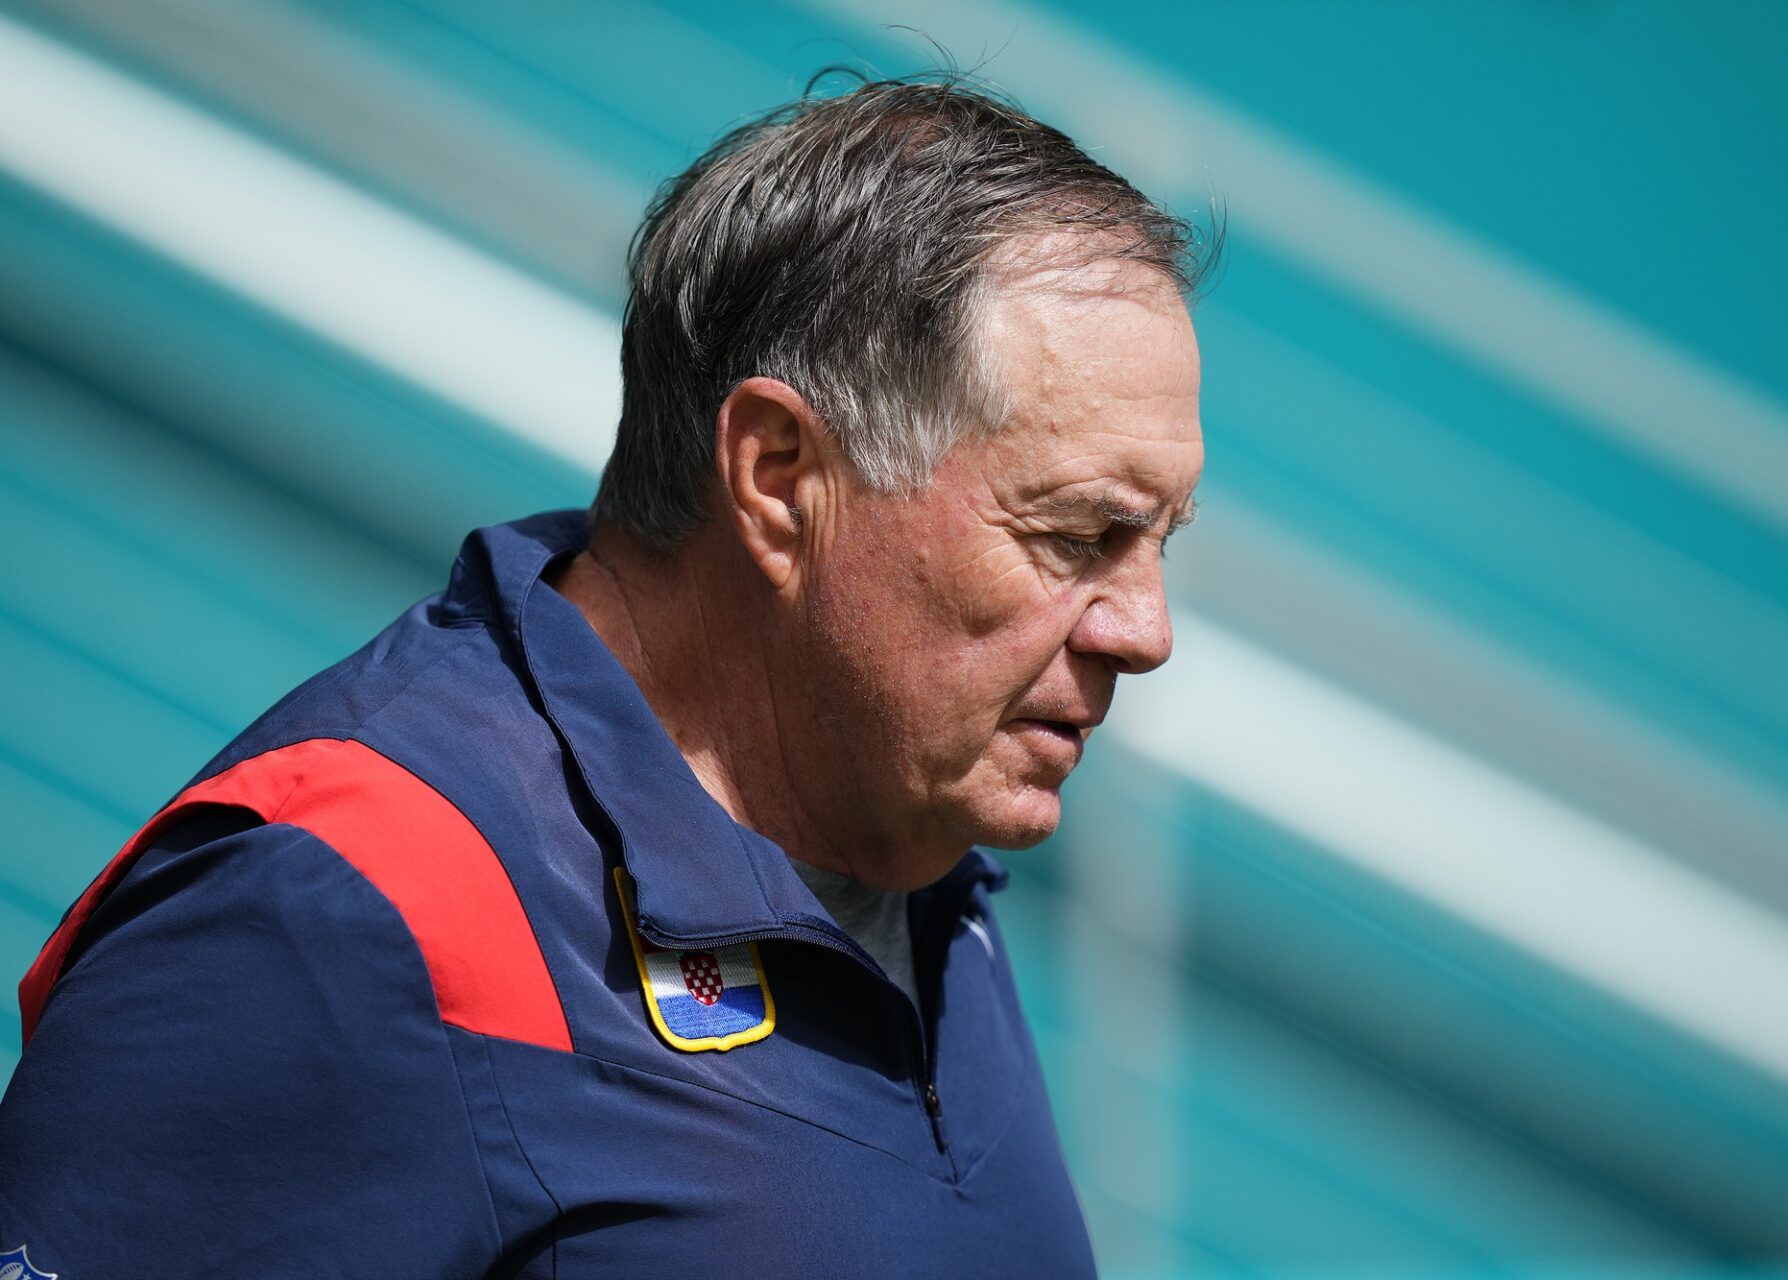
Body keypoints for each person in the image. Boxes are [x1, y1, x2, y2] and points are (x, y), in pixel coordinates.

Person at [0, 74, 1205, 1278]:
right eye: (1078, 534)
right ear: (780, 477)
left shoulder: (919, 842)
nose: (1145, 629)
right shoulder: (348, 901)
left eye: (1161, 538)